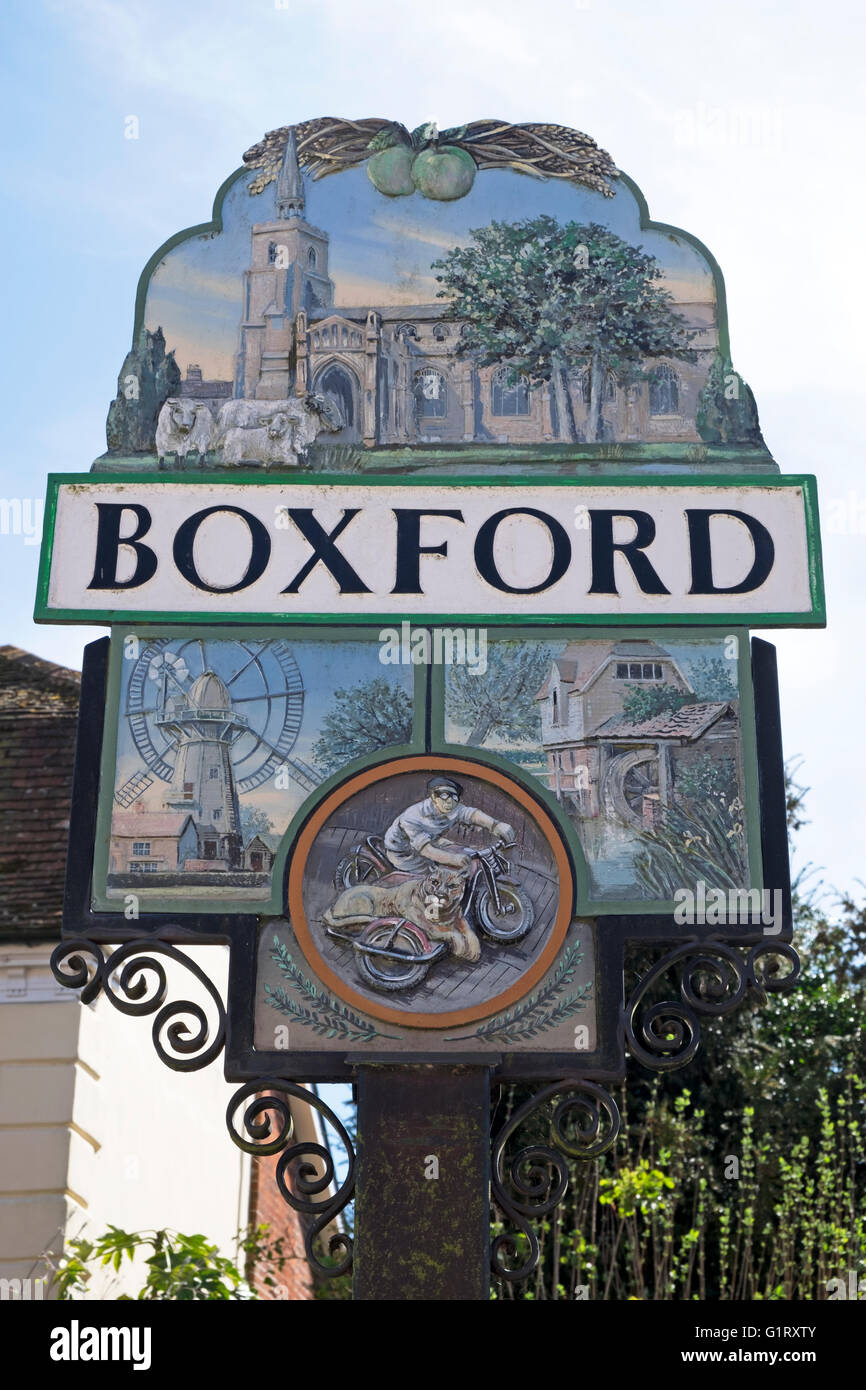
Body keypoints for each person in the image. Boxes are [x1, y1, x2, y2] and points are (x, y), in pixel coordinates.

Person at [382, 776, 514, 875]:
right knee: (437, 879)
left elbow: (470, 814)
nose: (449, 801)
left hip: (433, 841)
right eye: (444, 795)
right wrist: (453, 859)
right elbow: (426, 851)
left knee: (464, 851)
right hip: (405, 854)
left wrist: (496, 825)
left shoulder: (452, 807)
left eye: (453, 796)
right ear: (433, 797)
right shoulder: (413, 816)